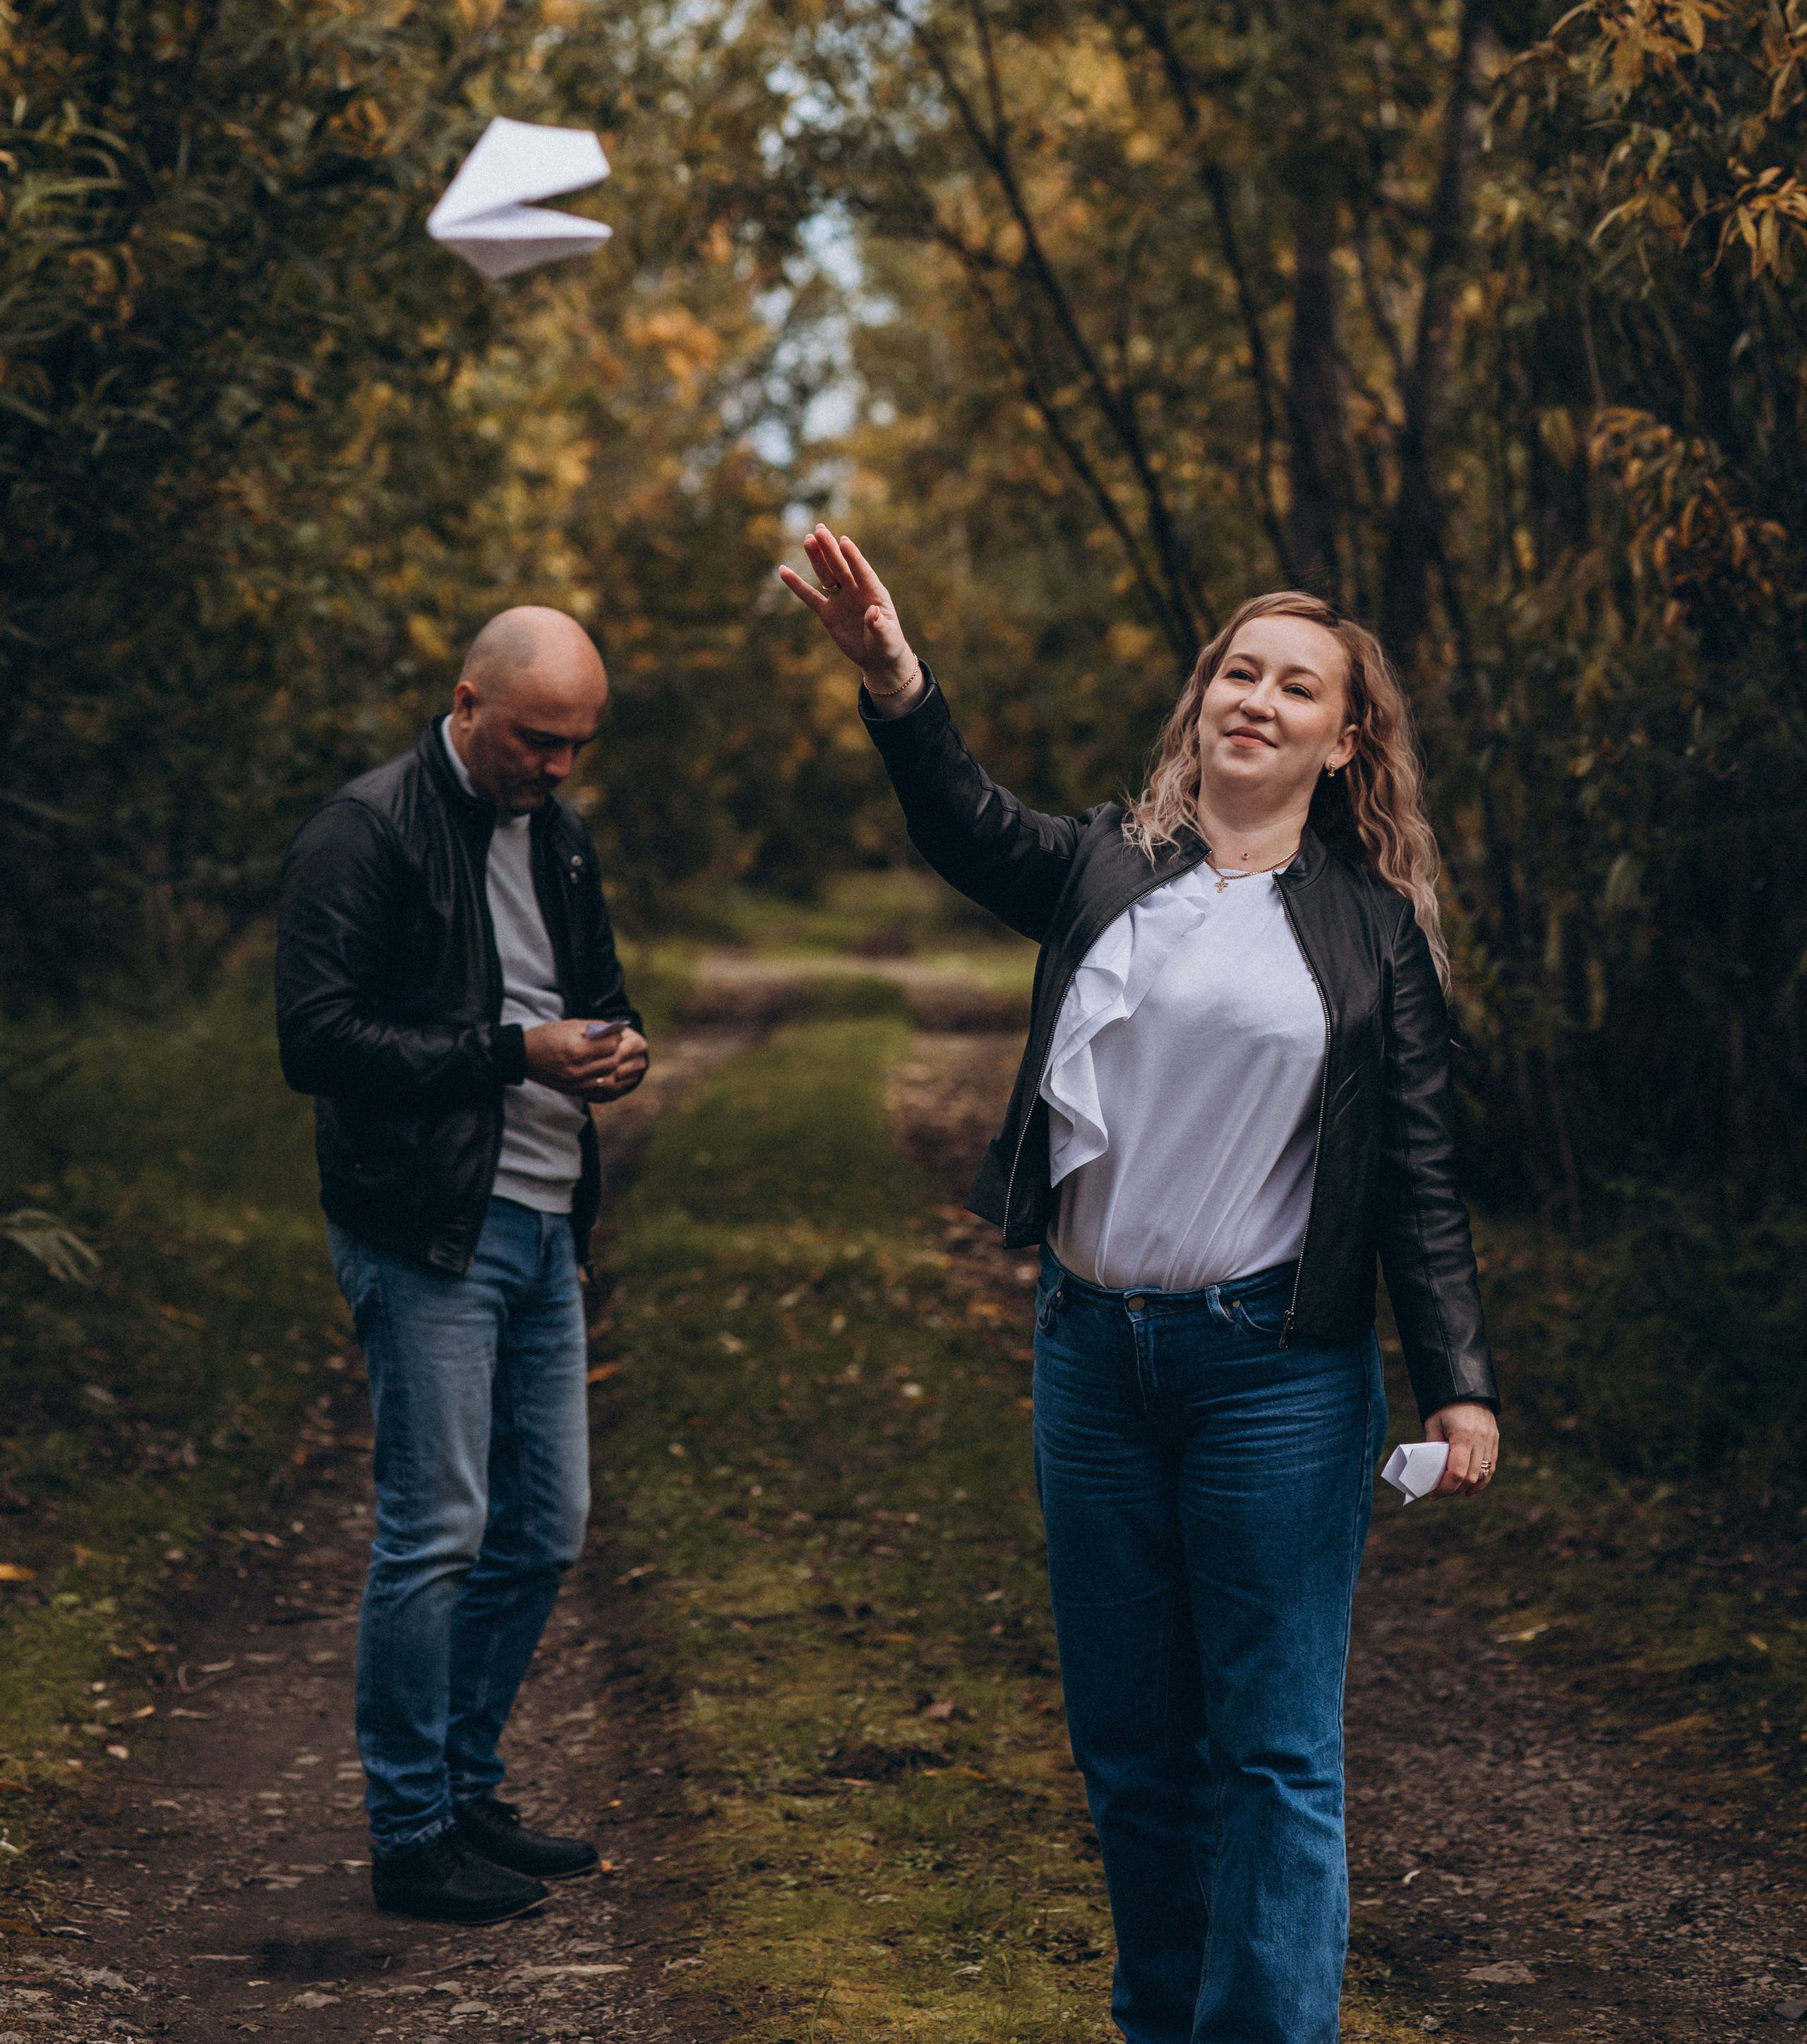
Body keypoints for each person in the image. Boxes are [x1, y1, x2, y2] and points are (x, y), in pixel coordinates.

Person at [779, 529, 1499, 2044]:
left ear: (1341, 736)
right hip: (1091, 1361)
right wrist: (895, 678)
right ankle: (1161, 2021)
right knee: (1125, 1745)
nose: (1255, 698)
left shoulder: (1373, 929)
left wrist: (1460, 1379)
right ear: (1202, 698)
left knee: (1271, 1749)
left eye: (1294, 686)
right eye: (1236, 670)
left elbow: (1416, 1174)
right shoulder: (1113, 861)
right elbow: (969, 826)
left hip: (1274, 1377)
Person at [275, 607, 649, 1926]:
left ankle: (466, 1784)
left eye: (577, 747)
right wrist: (512, 1052)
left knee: (547, 1527)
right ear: (468, 701)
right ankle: (410, 1832)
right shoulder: (365, 831)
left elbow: (596, 990)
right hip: (425, 1222)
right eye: (539, 740)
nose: (556, 768)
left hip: (547, 1218)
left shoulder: (560, 833)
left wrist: (621, 1048)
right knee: (437, 1528)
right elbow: (314, 1039)